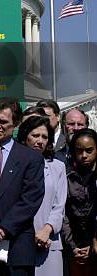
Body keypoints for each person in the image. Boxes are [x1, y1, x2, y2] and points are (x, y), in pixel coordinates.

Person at [0, 97, 45, 276]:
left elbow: (31, 199)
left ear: (16, 123)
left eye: (3, 121)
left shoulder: (31, 159)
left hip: (17, 248)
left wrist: (3, 229)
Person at [17, 115, 67, 275]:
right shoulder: (13, 165)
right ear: (25, 137)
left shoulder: (58, 167)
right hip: (18, 243)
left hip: (48, 243)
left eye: (45, 137)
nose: (40, 140)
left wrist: (47, 230)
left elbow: (59, 206)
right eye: (35, 135)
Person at [61, 129, 97, 275]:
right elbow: (63, 213)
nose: (84, 156)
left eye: (89, 151)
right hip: (73, 247)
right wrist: (73, 246)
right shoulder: (66, 176)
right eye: (79, 151)